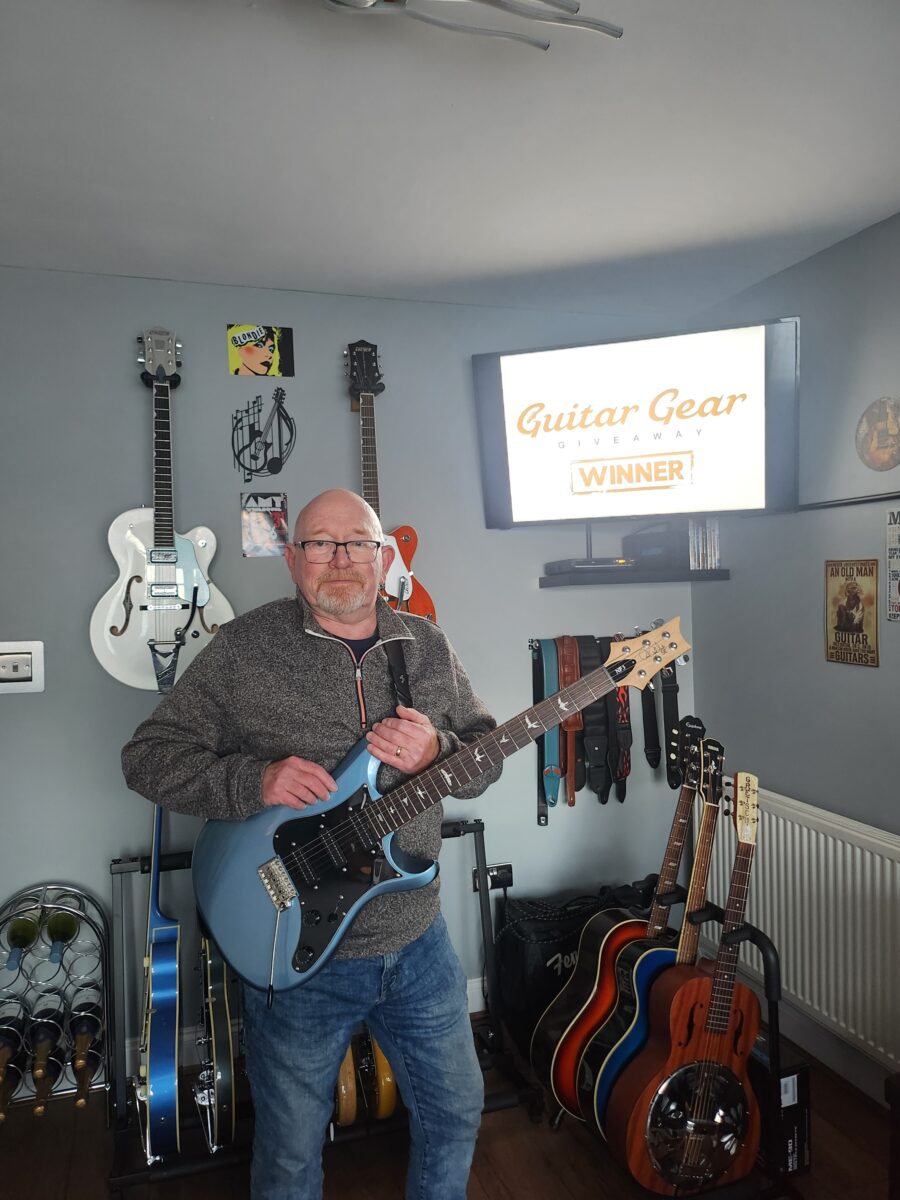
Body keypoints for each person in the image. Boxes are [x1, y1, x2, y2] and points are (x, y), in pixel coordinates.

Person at [121, 488, 501, 1200]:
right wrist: (255, 780)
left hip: (416, 943)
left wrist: (438, 752)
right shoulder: (243, 650)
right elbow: (147, 758)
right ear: (293, 559)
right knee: (291, 1155)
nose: (340, 559)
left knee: (455, 1113)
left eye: (357, 543)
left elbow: (484, 761)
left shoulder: (426, 646)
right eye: (320, 544)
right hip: (291, 954)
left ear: (382, 557)